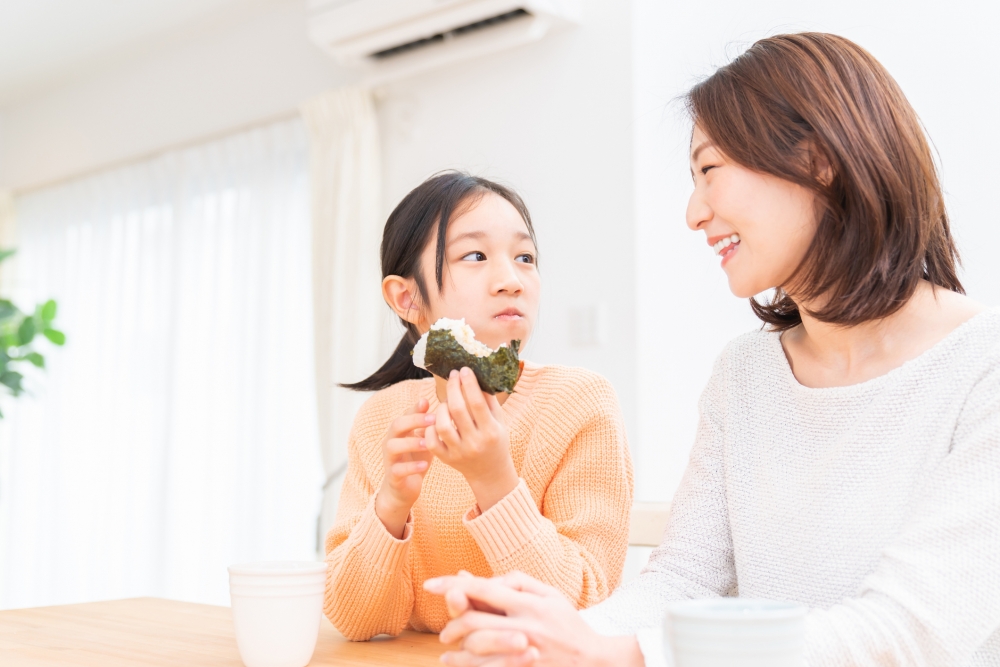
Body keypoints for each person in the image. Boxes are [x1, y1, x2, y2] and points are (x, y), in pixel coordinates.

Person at [422, 33, 1000, 666]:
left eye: (709, 171)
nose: (694, 213)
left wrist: (630, 656)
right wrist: (545, 636)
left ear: (816, 160)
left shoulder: (982, 368)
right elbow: (682, 582)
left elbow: (910, 632)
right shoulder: (746, 375)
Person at [324, 172, 634, 641]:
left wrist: (493, 479)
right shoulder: (381, 422)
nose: (511, 281)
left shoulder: (580, 404)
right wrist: (390, 505)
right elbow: (357, 620)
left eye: (525, 257)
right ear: (407, 298)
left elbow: (586, 609)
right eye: (475, 255)